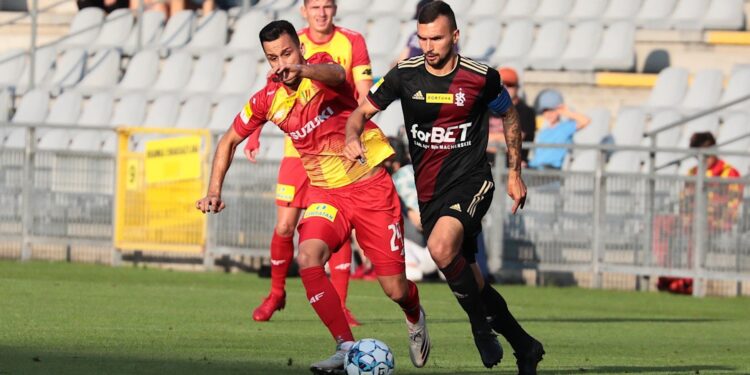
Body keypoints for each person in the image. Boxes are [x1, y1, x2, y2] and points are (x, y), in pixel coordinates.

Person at [196, 20, 430, 373]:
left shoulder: (319, 68)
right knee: (307, 256)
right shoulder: (267, 100)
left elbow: (338, 73)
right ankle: (345, 346)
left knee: (396, 289)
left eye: (287, 53)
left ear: (300, 49)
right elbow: (228, 140)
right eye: (273, 58)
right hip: (327, 194)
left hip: (370, 188)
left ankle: (414, 314)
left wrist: (303, 69)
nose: (281, 64)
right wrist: (214, 191)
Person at [344, 2, 544, 373]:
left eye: (436, 38)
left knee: (439, 248)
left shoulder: (480, 77)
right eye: (422, 39)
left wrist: (515, 172)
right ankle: (525, 346)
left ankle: (479, 328)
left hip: (472, 180)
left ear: (455, 36)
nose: (428, 46)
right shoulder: (404, 75)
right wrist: (352, 135)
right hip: (431, 191)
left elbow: (510, 113)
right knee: (474, 281)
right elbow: (361, 112)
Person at [245, 0, 374, 326]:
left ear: (335, 8)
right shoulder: (287, 44)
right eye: (315, 6)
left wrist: (357, 128)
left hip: (337, 149)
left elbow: (364, 91)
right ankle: (276, 293)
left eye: (327, 6)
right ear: (304, 11)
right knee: (285, 225)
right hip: (298, 152)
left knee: (340, 228)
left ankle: (341, 304)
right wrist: (254, 134)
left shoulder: (351, 41)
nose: (321, 12)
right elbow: (269, 95)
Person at [657, 132, 743, 295]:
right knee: (662, 222)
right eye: (699, 155)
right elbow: (685, 201)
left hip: (718, 222)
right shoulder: (693, 172)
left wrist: (706, 213)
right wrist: (686, 215)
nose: (703, 159)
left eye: (706, 154)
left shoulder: (729, 173)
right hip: (694, 220)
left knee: (696, 228)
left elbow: (732, 206)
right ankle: (666, 273)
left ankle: (690, 280)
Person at [527, 89, 590, 170]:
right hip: (535, 168)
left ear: (558, 110)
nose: (549, 114)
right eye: (546, 110)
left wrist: (567, 113)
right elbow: (538, 157)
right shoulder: (543, 132)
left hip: (550, 170)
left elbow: (585, 121)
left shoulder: (566, 127)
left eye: (552, 110)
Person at [487, 67, 537, 166]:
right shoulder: (486, 109)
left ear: (517, 87)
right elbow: (478, 139)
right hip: (485, 166)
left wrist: (491, 140)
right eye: (501, 85)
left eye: (509, 85)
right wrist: (500, 139)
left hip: (513, 167)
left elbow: (513, 141)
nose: (505, 88)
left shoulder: (526, 111)